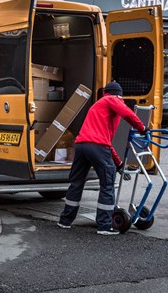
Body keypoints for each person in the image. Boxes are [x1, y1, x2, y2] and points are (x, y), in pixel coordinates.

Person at [58, 81, 149, 235]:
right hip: (97, 146)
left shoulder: (98, 104)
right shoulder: (112, 100)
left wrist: (119, 164)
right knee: (107, 184)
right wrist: (142, 128)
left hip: (81, 145)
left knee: (76, 183)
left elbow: (105, 142)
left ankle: (65, 221)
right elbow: (127, 114)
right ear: (119, 94)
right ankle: (104, 226)